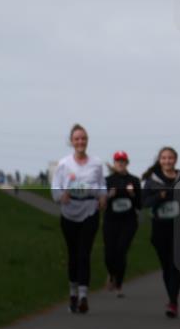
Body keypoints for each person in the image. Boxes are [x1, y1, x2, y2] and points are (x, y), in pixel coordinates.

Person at [51, 124, 107, 314]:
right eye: (77, 139)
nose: (80, 142)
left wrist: (103, 197)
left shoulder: (97, 164)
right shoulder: (64, 164)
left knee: (84, 253)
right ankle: (73, 292)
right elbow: (55, 188)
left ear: (87, 140)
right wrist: (61, 196)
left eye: (83, 138)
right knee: (73, 254)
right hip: (69, 212)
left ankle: (83, 296)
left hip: (90, 210)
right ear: (71, 142)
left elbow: (102, 185)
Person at [141, 147, 180, 318]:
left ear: (175, 160)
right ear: (159, 160)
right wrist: (160, 196)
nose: (167, 161)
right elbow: (145, 202)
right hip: (160, 228)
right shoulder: (152, 180)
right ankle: (172, 299)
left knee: (175, 266)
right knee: (166, 267)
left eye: (170, 158)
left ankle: (173, 302)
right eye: (164, 158)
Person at [103, 150, 141, 297]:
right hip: (111, 221)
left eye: (123, 161)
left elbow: (140, 204)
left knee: (121, 251)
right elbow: (101, 203)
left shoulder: (134, 180)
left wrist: (132, 194)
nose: (120, 163)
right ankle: (112, 274)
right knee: (109, 254)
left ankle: (119, 285)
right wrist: (108, 196)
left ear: (127, 163)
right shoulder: (107, 181)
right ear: (114, 163)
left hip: (128, 221)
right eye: (118, 161)